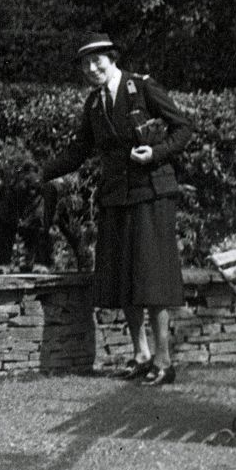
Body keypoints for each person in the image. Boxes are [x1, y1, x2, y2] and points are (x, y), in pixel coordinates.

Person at [40, 35, 198, 385]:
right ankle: (141, 354)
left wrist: (156, 154)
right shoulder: (94, 104)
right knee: (127, 278)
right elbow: (79, 150)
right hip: (117, 196)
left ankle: (164, 360)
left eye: (98, 62)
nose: (92, 69)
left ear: (112, 60)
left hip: (152, 193)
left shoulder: (141, 88)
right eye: (85, 64)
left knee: (152, 278)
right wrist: (41, 173)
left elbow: (183, 127)